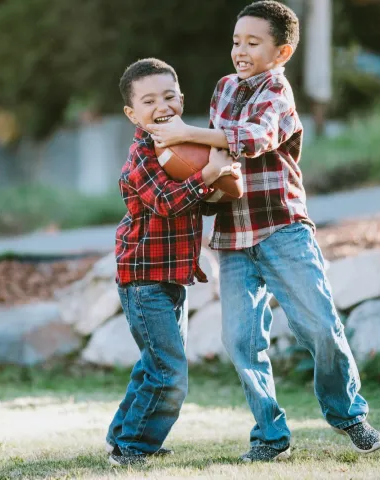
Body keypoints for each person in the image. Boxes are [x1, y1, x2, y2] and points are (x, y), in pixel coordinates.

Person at [148, 1, 380, 462]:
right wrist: (202, 175)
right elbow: (219, 160)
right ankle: (270, 434)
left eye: (253, 43)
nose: (240, 50)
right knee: (240, 341)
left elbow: (252, 140)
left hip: (282, 230)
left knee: (320, 326)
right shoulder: (222, 88)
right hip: (233, 238)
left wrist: (186, 132)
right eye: (237, 41)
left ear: (282, 52)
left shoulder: (277, 91)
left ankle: (348, 413)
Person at [106, 58, 240, 467]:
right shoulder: (141, 159)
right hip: (143, 280)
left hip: (171, 278)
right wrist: (208, 175)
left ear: (181, 100)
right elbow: (166, 203)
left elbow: (201, 203)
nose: (161, 105)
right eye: (148, 100)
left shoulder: (185, 148)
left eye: (168, 96)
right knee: (170, 373)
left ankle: (122, 436)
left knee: (154, 364)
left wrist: (219, 181)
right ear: (133, 113)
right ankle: (134, 447)